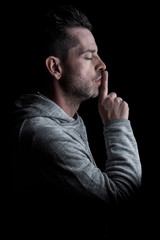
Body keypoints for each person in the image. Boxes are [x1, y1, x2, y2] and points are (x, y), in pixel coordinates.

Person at [8, 5, 142, 239]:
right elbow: (120, 200)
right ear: (55, 67)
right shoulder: (42, 134)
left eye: (97, 55)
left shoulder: (64, 120)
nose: (101, 65)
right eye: (88, 56)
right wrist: (117, 126)